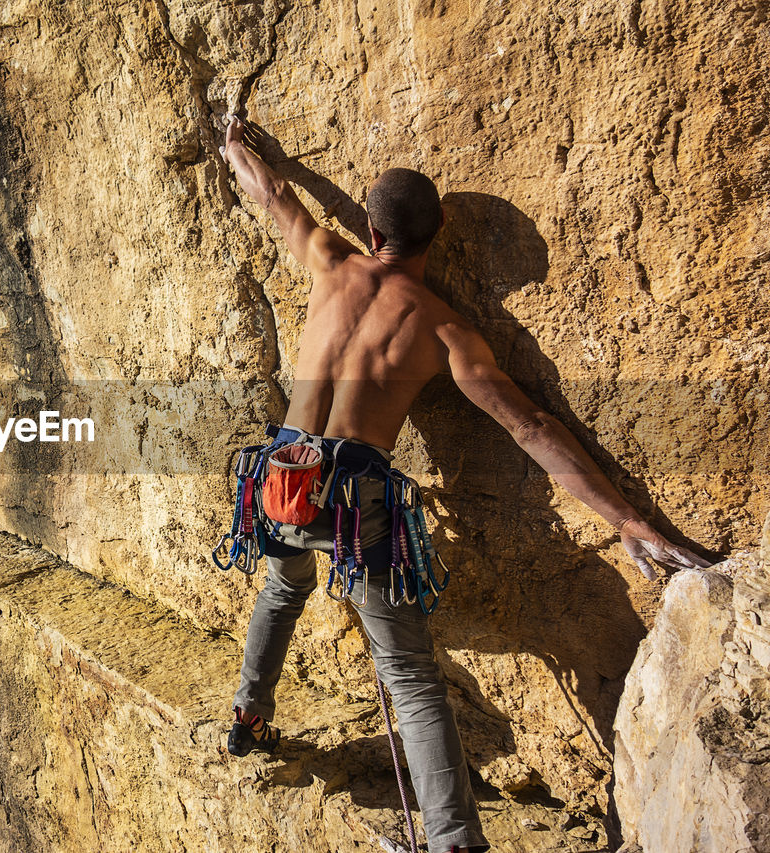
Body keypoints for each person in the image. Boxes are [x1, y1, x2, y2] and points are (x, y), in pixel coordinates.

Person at [218, 114, 710, 853]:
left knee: (283, 586)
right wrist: (626, 519)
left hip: (280, 479)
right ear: (439, 229)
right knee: (409, 675)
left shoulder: (328, 257)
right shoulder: (443, 327)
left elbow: (274, 194)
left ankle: (249, 713)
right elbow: (530, 426)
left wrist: (234, 145)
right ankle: (452, 840)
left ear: (368, 223)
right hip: (355, 500)